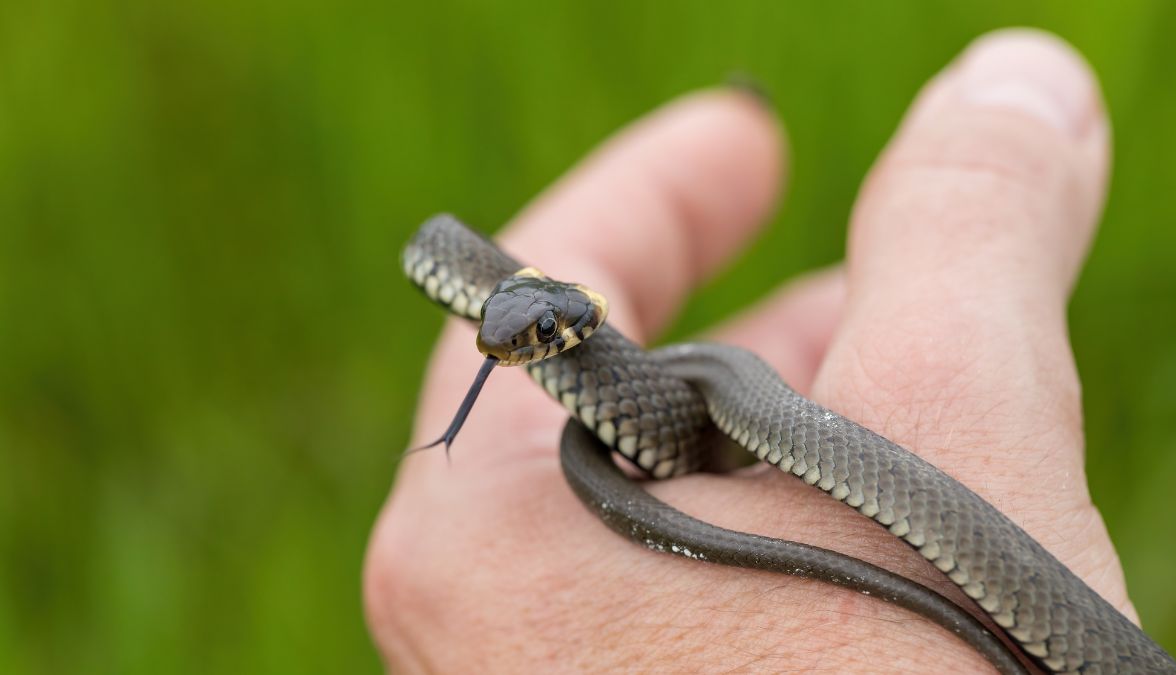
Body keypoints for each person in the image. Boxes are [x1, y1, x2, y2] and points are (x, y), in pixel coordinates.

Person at [366, 29, 1126, 672]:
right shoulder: (487, 274)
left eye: (537, 337)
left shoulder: (692, 378)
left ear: (576, 322)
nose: (511, 346)